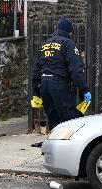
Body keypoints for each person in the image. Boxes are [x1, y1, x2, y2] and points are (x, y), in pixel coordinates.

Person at [31, 18, 91, 147]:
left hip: (45, 84)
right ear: (69, 32)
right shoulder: (68, 44)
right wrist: (84, 90)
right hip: (59, 85)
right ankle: (71, 148)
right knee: (70, 119)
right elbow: (76, 71)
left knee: (54, 120)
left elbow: (35, 72)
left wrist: (37, 92)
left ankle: (54, 147)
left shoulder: (45, 44)